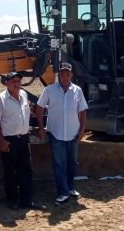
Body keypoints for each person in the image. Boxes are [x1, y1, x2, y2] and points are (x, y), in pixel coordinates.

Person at [0, 72, 45, 210]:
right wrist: (1, 140)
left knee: (26, 170)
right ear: (6, 83)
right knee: (10, 171)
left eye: (18, 81)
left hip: (23, 138)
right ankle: (12, 199)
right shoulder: (0, 99)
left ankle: (26, 200)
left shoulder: (24, 95)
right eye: (13, 81)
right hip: (9, 140)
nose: (16, 83)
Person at [36, 62, 88, 205]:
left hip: (73, 134)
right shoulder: (49, 90)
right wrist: (41, 128)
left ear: (71, 75)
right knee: (59, 164)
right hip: (56, 133)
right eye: (62, 74)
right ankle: (63, 192)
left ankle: (70, 188)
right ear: (58, 75)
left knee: (72, 164)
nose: (65, 76)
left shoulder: (77, 90)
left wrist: (82, 130)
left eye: (67, 74)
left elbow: (83, 112)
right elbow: (39, 109)